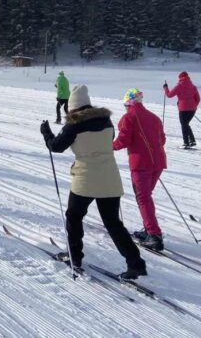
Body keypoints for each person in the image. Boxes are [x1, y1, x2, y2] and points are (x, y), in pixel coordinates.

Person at [41, 85, 147, 279]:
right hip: (110, 178)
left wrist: (46, 133)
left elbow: (56, 146)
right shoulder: (106, 121)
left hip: (86, 179)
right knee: (113, 223)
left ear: (73, 106)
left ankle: (74, 256)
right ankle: (136, 263)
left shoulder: (74, 124)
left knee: (74, 217)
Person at [113, 88, 167, 250]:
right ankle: (149, 229)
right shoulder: (154, 117)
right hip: (158, 162)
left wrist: (108, 146)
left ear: (128, 103)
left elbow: (123, 140)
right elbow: (162, 139)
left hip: (141, 164)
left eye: (125, 105)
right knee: (145, 197)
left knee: (143, 198)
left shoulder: (129, 117)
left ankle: (154, 234)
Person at [164, 72, 201, 148]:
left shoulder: (179, 86)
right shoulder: (193, 87)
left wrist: (165, 88)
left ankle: (186, 143)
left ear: (180, 78)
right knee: (186, 124)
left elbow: (169, 95)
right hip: (192, 109)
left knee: (184, 125)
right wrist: (193, 106)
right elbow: (198, 99)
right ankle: (192, 140)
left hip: (183, 109)